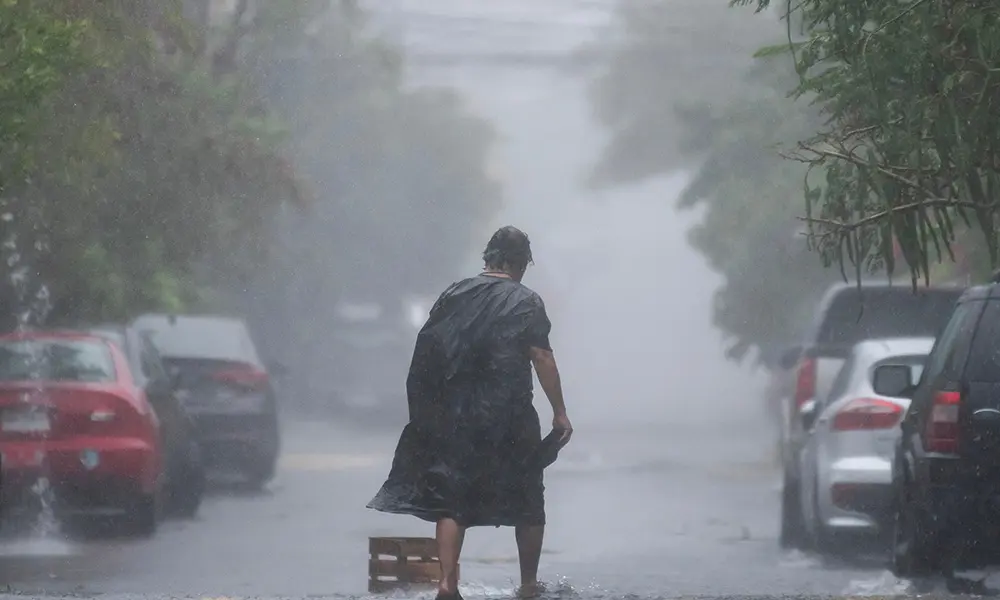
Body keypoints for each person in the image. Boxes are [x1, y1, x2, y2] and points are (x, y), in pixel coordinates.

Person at [367, 226, 572, 600]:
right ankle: (528, 585)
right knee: (528, 498)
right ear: (518, 262)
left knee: (453, 498)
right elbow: (542, 357)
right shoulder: (527, 301)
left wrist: (426, 413)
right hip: (510, 415)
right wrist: (560, 412)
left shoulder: (453, 294)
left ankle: (447, 584)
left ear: (488, 258)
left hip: (457, 416)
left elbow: (426, 351)